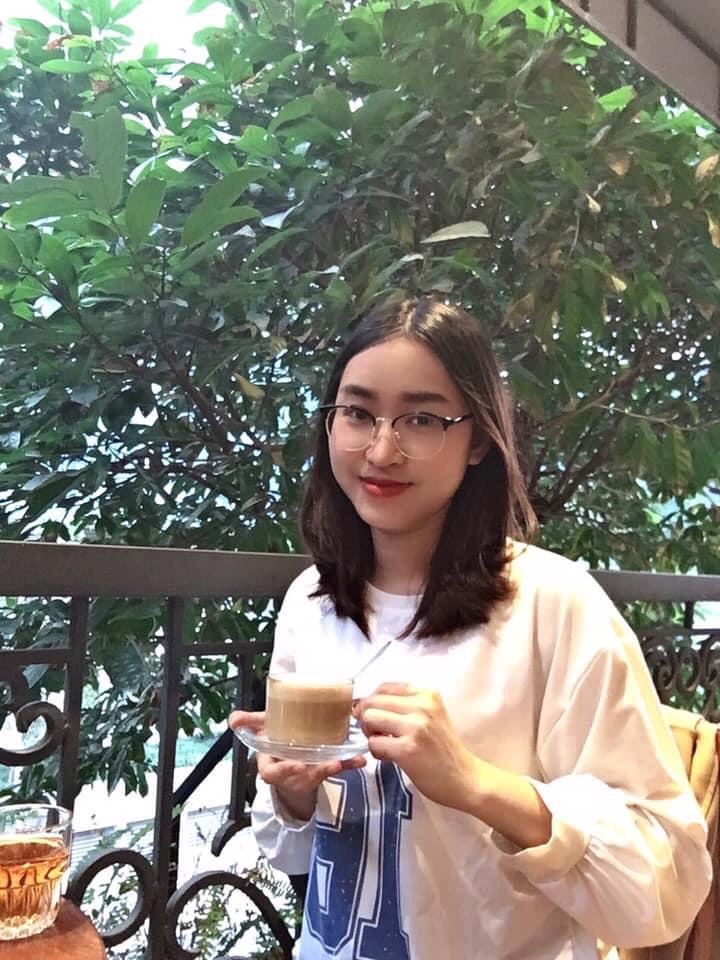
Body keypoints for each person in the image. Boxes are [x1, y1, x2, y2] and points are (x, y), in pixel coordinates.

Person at [229, 297, 711, 960]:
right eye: (358, 413)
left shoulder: (552, 605)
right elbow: (292, 852)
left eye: (422, 419)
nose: (382, 449)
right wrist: (292, 796)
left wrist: (476, 784)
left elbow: (666, 886)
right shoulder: (309, 602)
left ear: (478, 439)